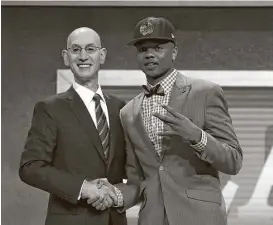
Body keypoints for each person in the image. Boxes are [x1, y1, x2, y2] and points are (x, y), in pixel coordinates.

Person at [102, 17, 243, 225]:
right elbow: (137, 180)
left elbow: (233, 161)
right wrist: (114, 195)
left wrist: (196, 136)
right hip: (152, 219)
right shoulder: (128, 112)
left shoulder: (205, 93)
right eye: (143, 50)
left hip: (200, 217)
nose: (149, 54)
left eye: (157, 47)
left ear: (174, 52)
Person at [19, 27, 127, 225]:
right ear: (66, 57)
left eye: (90, 49)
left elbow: (133, 169)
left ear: (102, 55)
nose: (83, 56)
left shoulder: (121, 109)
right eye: (76, 50)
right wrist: (84, 188)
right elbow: (30, 167)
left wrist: (116, 194)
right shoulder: (50, 108)